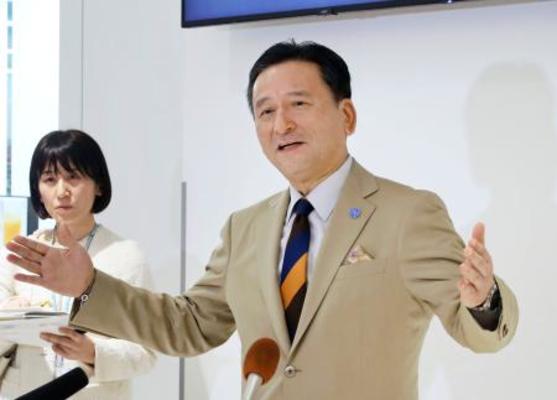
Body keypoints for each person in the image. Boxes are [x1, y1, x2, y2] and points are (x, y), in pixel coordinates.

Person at [5, 42, 518, 399]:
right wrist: (91, 286)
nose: (281, 124)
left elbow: (478, 329)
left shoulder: (407, 213)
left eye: (299, 104)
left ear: (346, 116)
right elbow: (190, 326)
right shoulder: (245, 228)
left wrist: (484, 301)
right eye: (265, 111)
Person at [0, 130, 156, 399]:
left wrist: (93, 352)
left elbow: (146, 351)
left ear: (99, 186)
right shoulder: (20, 254)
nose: (62, 191)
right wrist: (8, 320)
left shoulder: (126, 257)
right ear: (38, 190)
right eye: (50, 179)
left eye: (73, 177)